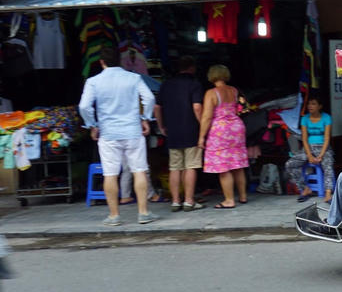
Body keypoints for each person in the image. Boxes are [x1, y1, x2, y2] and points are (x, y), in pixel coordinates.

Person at [78, 45, 158, 226]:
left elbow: (84, 106)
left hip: (108, 133)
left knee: (110, 174)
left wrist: (92, 125)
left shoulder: (94, 81)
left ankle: (114, 216)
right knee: (139, 171)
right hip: (132, 131)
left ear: (101, 62)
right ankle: (143, 213)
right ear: (120, 61)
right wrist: (145, 117)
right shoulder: (134, 78)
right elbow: (150, 98)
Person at [154, 55, 206, 211]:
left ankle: (176, 201)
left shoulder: (166, 85)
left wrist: (161, 126)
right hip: (191, 131)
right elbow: (197, 107)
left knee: (175, 167)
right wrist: (203, 125)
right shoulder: (194, 84)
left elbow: (157, 107)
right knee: (191, 166)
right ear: (192, 68)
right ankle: (189, 201)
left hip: (173, 131)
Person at [197, 64, 249, 209]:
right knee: (238, 164)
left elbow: (207, 116)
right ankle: (243, 196)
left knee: (224, 166)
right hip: (237, 127)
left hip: (221, 130)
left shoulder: (211, 93)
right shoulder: (234, 90)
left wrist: (201, 137)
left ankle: (229, 200)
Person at [286, 95, 334, 203]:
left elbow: (327, 138)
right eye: (309, 104)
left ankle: (328, 193)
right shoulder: (305, 118)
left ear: (320, 106)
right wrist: (310, 155)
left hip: (323, 148)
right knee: (290, 164)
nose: (310, 106)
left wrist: (321, 155)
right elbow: (304, 138)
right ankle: (305, 188)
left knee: (328, 165)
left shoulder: (326, 118)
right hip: (308, 149)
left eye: (313, 104)